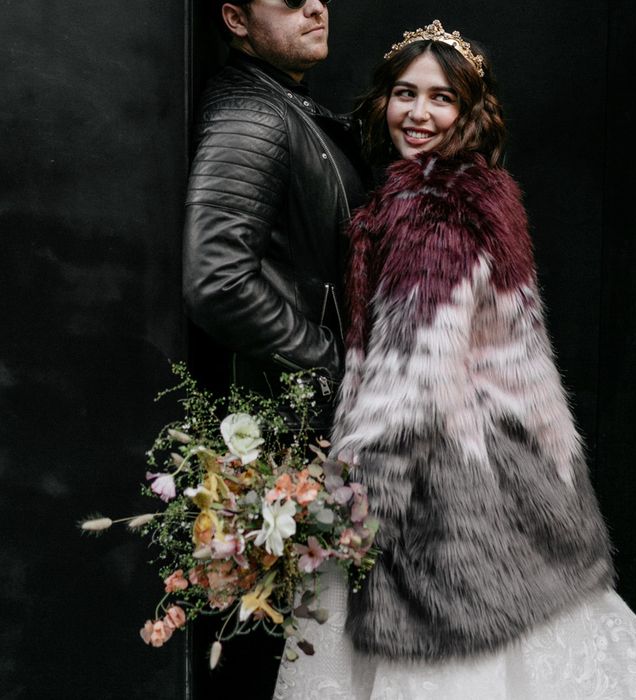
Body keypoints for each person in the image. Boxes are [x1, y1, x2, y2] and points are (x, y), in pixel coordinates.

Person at [272, 20, 636, 700]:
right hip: (502, 459)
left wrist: (355, 502)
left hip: (438, 477)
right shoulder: (478, 194)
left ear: (470, 112)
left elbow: (412, 380)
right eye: (405, 93)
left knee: (441, 649)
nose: (418, 113)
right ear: (383, 99)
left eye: (441, 99)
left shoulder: (428, 209)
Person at [182, 1, 366, 695]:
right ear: (234, 18)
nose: (316, 5)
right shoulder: (251, 115)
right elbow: (217, 280)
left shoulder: (280, 101)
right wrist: (329, 361)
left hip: (304, 435)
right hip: (281, 433)